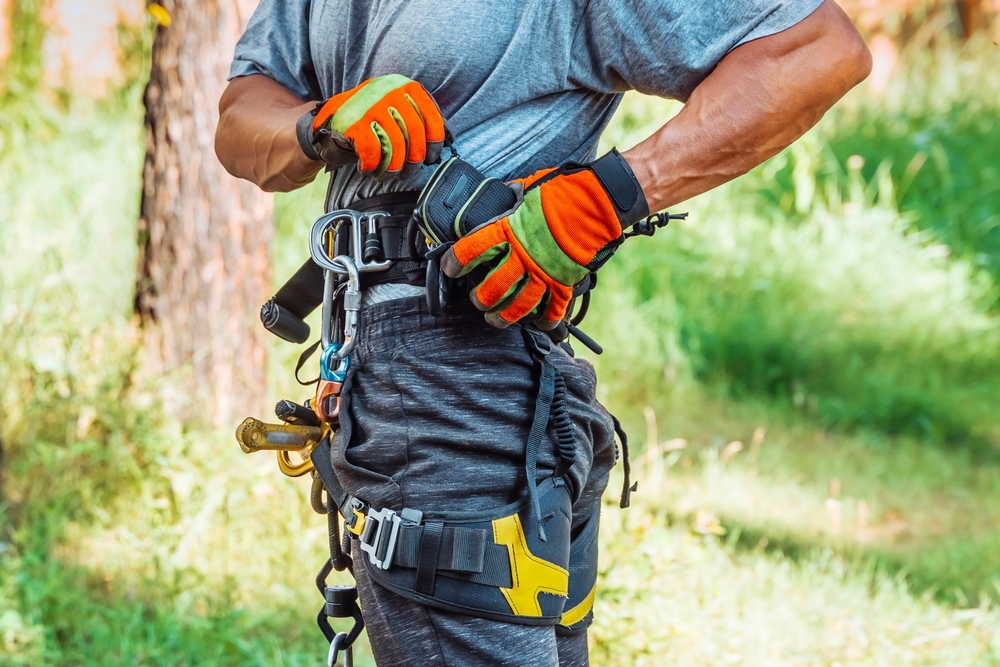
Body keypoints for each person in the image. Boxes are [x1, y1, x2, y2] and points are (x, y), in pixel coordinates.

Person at [216, 1, 871, 665]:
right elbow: (241, 115)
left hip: (469, 377)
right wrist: (316, 125)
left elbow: (815, 52)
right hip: (392, 366)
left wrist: (604, 196)